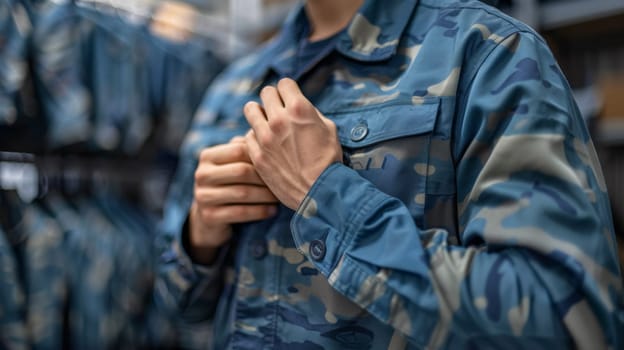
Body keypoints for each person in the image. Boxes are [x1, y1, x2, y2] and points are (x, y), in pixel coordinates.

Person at [156, 0, 624, 348]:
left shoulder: (489, 54)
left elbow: (568, 323)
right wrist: (199, 236)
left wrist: (327, 196)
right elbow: (176, 302)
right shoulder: (231, 87)